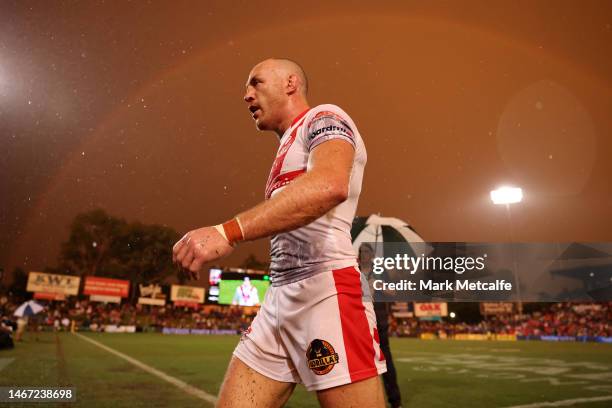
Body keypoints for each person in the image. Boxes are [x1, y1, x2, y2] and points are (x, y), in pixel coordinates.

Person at [173, 58, 386, 407]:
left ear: (290, 83)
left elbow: (330, 185)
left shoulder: (324, 117)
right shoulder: (285, 148)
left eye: (255, 82)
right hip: (279, 298)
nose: (246, 95)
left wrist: (227, 232)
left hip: (326, 292)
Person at [359, 243, 403, 408]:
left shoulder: (380, 271)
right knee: (361, 361)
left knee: (386, 360)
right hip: (360, 318)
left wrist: (380, 285)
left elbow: (393, 292)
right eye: (362, 252)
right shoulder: (354, 270)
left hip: (379, 318)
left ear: (371, 255)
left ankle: (395, 400)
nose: (364, 254)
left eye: (367, 252)